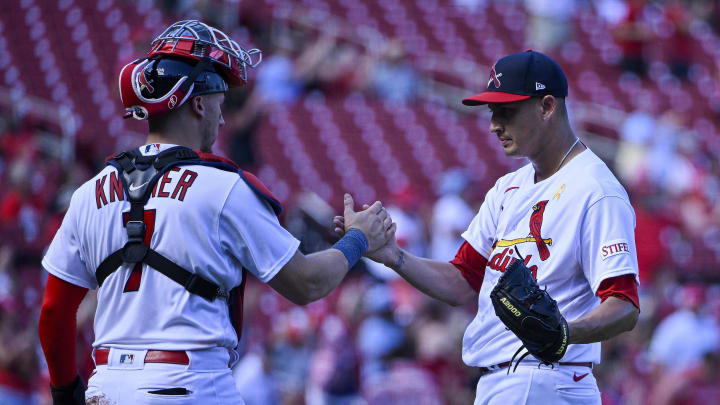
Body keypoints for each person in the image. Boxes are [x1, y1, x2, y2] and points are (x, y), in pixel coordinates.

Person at [38, 20, 393, 405]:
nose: (222, 119)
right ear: (198, 103)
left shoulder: (89, 192)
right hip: (190, 385)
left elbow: (54, 311)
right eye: (219, 103)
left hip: (105, 387)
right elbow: (306, 283)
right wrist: (359, 239)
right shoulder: (224, 187)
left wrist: (63, 390)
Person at [335, 50, 640, 404]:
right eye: (493, 111)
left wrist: (565, 332)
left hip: (543, 379)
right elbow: (462, 281)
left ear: (546, 107)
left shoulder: (595, 189)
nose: (494, 123)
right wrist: (394, 257)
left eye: (506, 111)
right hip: (508, 381)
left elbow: (624, 304)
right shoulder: (508, 188)